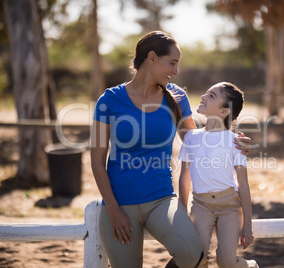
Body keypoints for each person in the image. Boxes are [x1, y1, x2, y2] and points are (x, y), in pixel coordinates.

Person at [90, 31, 251, 268]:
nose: (176, 72)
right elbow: (96, 161)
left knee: (193, 256)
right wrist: (113, 210)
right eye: (172, 63)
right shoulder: (109, 100)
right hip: (120, 202)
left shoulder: (176, 96)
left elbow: (196, 141)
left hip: (161, 200)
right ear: (152, 58)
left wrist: (233, 140)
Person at [178, 82, 259, 268]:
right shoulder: (191, 138)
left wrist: (247, 225)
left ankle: (251, 266)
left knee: (226, 262)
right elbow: (184, 176)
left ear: (224, 112)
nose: (203, 97)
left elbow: (243, 185)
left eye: (212, 96)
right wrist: (183, 210)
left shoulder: (236, 142)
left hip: (230, 206)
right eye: (206, 93)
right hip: (201, 205)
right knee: (196, 259)